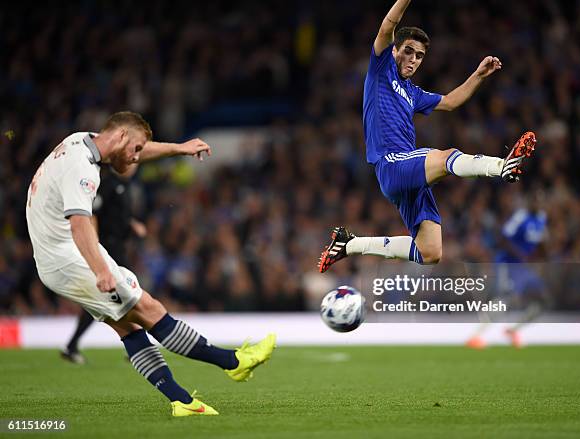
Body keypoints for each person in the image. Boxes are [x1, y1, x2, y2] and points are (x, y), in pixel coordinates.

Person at [26, 111, 276, 417]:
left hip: (56, 259)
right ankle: (234, 362)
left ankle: (182, 402)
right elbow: (80, 224)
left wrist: (179, 148)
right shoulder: (83, 169)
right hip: (70, 257)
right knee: (150, 310)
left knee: (128, 326)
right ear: (120, 138)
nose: (135, 159)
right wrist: (102, 270)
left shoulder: (80, 141)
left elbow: (138, 148)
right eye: (136, 150)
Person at [317, 0, 537, 273]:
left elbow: (450, 102)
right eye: (408, 51)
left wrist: (478, 76)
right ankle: (501, 167)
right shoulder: (381, 69)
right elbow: (388, 26)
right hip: (392, 162)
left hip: (409, 174)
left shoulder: (413, 93)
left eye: (419, 56)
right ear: (394, 50)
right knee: (445, 157)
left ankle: (349, 244)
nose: (412, 59)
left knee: (430, 252)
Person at [61, 164, 146, 364]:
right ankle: (138, 347)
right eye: (131, 161)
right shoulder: (108, 184)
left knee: (106, 298)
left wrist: (132, 224)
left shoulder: (123, 185)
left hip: (117, 247)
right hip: (108, 249)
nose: (133, 165)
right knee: (128, 292)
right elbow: (92, 213)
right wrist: (95, 247)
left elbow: (116, 214)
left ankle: (72, 345)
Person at [466, 189, 548, 349]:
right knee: (506, 298)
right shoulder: (520, 217)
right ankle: (476, 335)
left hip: (523, 266)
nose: (538, 204)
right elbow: (503, 238)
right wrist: (521, 255)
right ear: (530, 202)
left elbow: (541, 242)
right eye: (535, 201)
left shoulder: (542, 218)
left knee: (542, 300)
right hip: (507, 262)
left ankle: (513, 330)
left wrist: (540, 259)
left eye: (540, 201)